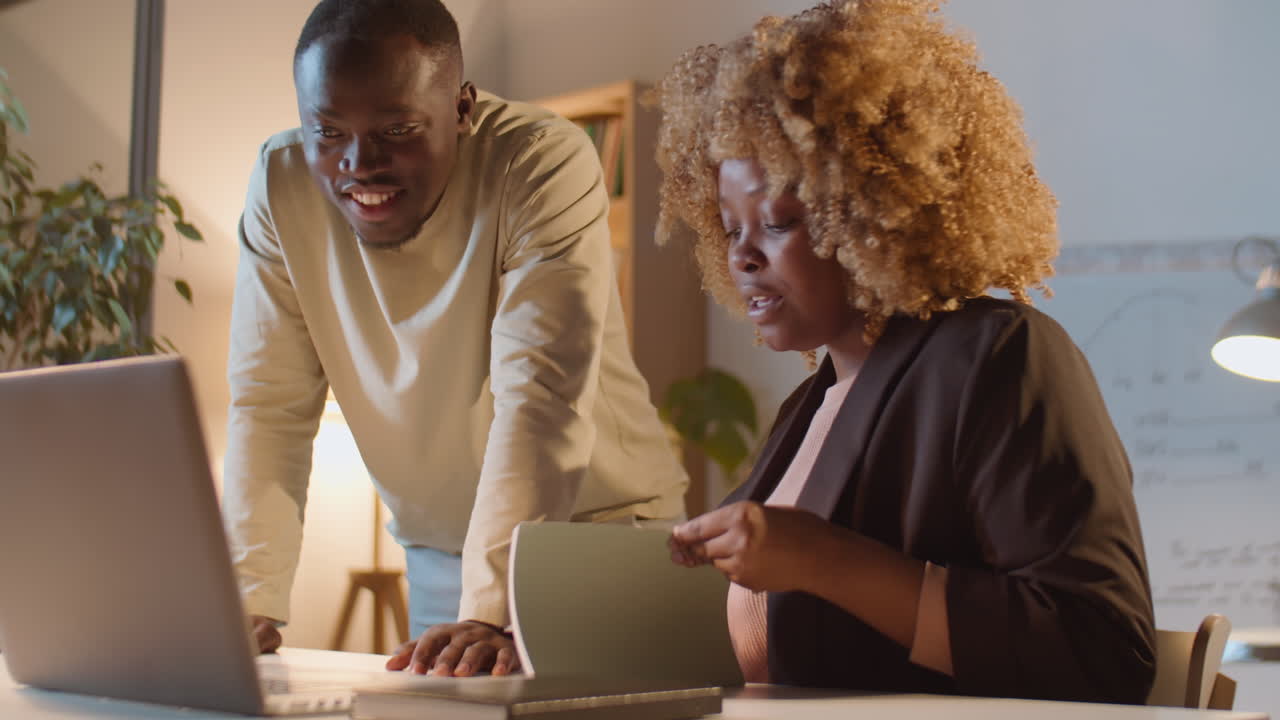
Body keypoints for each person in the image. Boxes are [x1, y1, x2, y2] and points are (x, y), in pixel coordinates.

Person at [656, 0, 1156, 704]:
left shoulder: (999, 356)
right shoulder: (812, 402)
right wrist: (523, 636)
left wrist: (829, 561)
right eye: (728, 226)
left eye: (777, 223)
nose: (742, 256)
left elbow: (1105, 653)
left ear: (869, 209)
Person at [222, 0, 688, 677]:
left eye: (398, 128)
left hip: (598, 540)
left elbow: (540, 396)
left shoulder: (540, 160)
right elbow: (269, 402)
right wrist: (248, 599)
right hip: (440, 558)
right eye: (327, 131)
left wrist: (492, 606)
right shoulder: (280, 182)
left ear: (463, 108)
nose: (360, 163)